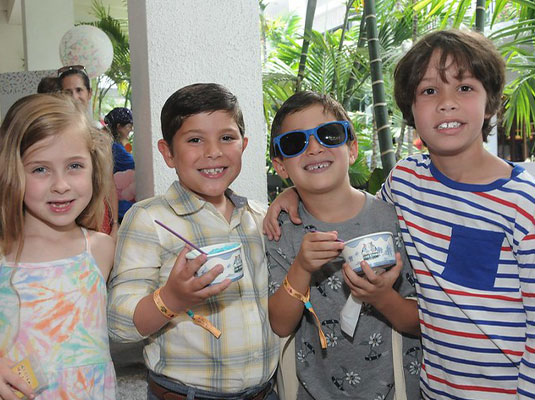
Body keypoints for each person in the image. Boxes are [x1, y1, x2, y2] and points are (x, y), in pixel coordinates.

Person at [265, 29, 535, 399]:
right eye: (428, 91)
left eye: (465, 87)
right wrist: (293, 193)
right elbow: (351, 210)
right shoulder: (406, 182)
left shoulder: (524, 204)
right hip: (431, 390)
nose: (446, 103)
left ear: (491, 103)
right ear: (409, 110)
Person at [107, 83, 280, 400]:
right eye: (195, 139)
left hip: (265, 392)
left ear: (243, 144)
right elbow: (119, 324)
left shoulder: (260, 216)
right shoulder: (150, 219)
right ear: (168, 152)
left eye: (227, 138)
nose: (213, 151)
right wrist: (171, 299)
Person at [266, 90, 421, 400]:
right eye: (295, 143)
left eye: (329, 134)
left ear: (352, 149)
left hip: (397, 391)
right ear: (281, 167)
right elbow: (280, 325)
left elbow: (422, 321)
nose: (314, 148)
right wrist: (301, 268)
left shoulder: (396, 219)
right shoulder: (281, 230)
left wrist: (381, 297)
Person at [0, 93, 116, 399]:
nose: (61, 184)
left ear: (94, 167)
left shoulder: (101, 250)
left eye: (74, 166)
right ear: (11, 172)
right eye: (40, 169)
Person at [58, 64, 119, 239]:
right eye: (68, 92)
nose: (75, 97)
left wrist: (114, 224)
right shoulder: (55, 137)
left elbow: (109, 183)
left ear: (89, 93)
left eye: (79, 90)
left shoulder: (101, 137)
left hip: (98, 217)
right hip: (67, 215)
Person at [104, 107, 136, 223]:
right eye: (128, 126)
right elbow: (136, 164)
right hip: (121, 206)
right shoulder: (116, 149)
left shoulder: (123, 144)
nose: (131, 129)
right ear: (119, 127)